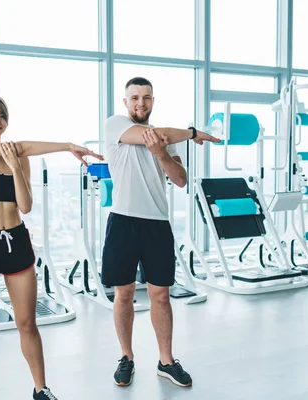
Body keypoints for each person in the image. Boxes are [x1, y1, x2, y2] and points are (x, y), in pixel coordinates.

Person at [0, 95, 103, 400]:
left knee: (27, 323)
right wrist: (67, 145)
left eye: (1, 115)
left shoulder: (18, 157)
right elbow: (20, 146)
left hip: (16, 241)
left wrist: (16, 167)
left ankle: (41, 388)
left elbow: (25, 206)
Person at [102, 77, 221, 388]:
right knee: (124, 294)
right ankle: (126, 357)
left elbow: (180, 179)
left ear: (153, 101)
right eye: (135, 98)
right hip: (123, 220)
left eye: (146, 97)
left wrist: (163, 155)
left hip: (157, 223)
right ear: (125, 102)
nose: (140, 103)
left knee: (161, 295)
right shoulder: (115, 125)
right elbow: (158, 135)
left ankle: (166, 362)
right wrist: (193, 132)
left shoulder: (171, 139)